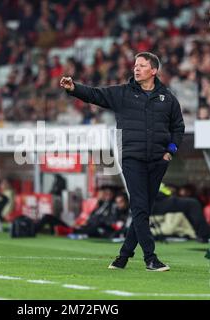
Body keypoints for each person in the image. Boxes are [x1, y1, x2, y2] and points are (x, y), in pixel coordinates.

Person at [61, 51, 185, 271]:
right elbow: (95, 95)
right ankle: (150, 258)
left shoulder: (168, 98)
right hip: (132, 159)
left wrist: (170, 152)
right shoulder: (123, 93)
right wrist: (74, 88)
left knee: (143, 210)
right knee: (139, 206)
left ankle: (123, 257)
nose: (136, 69)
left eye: (142, 66)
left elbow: (178, 127)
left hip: (158, 161)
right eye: (135, 65)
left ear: (154, 71)